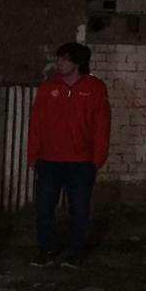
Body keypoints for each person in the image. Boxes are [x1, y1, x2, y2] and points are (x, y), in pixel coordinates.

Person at [27, 42, 111, 268]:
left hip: (81, 163)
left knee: (79, 209)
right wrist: (33, 156)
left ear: (77, 62)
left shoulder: (95, 88)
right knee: (44, 208)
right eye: (59, 59)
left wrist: (97, 159)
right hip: (49, 161)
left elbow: (101, 125)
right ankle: (46, 250)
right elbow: (36, 124)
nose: (59, 63)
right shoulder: (48, 88)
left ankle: (76, 252)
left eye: (64, 59)